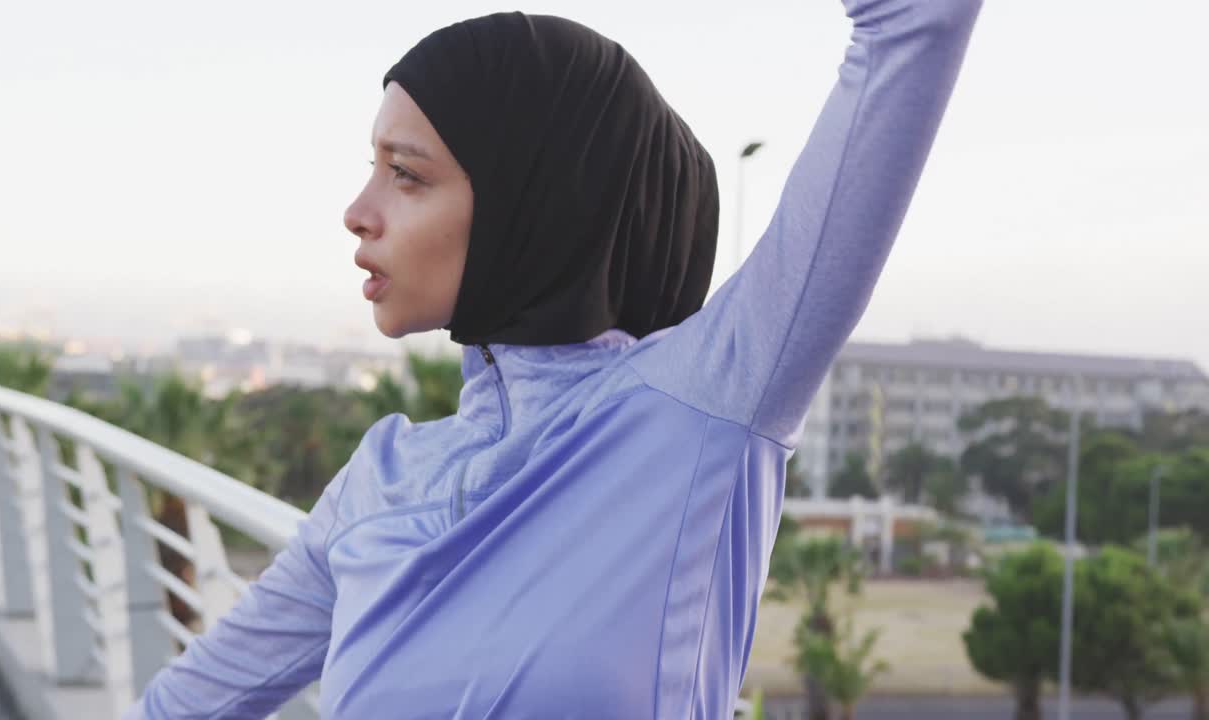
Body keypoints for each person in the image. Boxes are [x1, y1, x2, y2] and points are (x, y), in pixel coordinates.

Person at [126, 1, 982, 717]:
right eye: (372, 169)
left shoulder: (700, 411)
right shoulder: (380, 478)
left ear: (530, 203)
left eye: (407, 175)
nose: (358, 211)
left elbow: (915, 23)